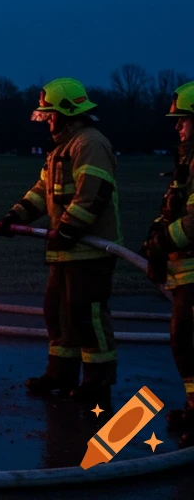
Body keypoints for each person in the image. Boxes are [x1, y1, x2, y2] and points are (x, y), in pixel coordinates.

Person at [0, 78, 120, 404]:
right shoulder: (60, 150)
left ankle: (98, 385)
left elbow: (94, 195)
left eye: (51, 114)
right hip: (66, 250)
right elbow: (42, 193)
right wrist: (14, 217)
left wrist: (69, 229)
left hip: (90, 250)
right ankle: (61, 373)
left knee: (87, 316)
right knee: (57, 312)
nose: (48, 121)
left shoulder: (89, 144)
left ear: (68, 113)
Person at [146, 82, 194, 442]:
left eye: (183, 120)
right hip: (185, 270)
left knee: (186, 339)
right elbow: (173, 210)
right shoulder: (187, 161)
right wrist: (155, 244)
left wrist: (160, 246)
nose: (177, 127)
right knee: (183, 341)